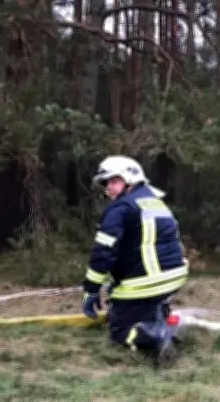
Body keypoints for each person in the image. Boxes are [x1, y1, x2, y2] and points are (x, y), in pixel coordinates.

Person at [81, 155, 189, 368]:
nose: (109, 188)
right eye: (107, 184)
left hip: (145, 284)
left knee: (119, 332)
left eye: (114, 181)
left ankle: (157, 334)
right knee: (131, 302)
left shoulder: (120, 209)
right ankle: (159, 316)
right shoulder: (154, 201)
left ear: (130, 179)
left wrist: (91, 290)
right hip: (173, 278)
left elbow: (103, 254)